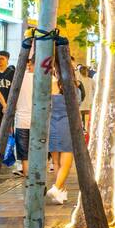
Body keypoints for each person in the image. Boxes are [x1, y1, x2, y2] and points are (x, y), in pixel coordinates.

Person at [45, 74, 79, 205]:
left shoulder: (49, 82)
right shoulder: (71, 84)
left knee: (56, 161)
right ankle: (56, 188)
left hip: (52, 124)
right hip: (66, 124)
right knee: (67, 162)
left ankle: (61, 192)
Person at [13, 58, 35, 177]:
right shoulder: (47, 79)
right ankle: (39, 175)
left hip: (21, 120)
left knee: (24, 152)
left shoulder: (19, 78)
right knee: (38, 150)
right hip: (39, 121)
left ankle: (27, 176)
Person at [77, 64, 95, 135]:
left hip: (84, 100)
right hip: (87, 100)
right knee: (85, 114)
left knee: (82, 114)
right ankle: (85, 128)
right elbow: (95, 88)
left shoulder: (80, 80)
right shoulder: (90, 80)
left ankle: (83, 127)